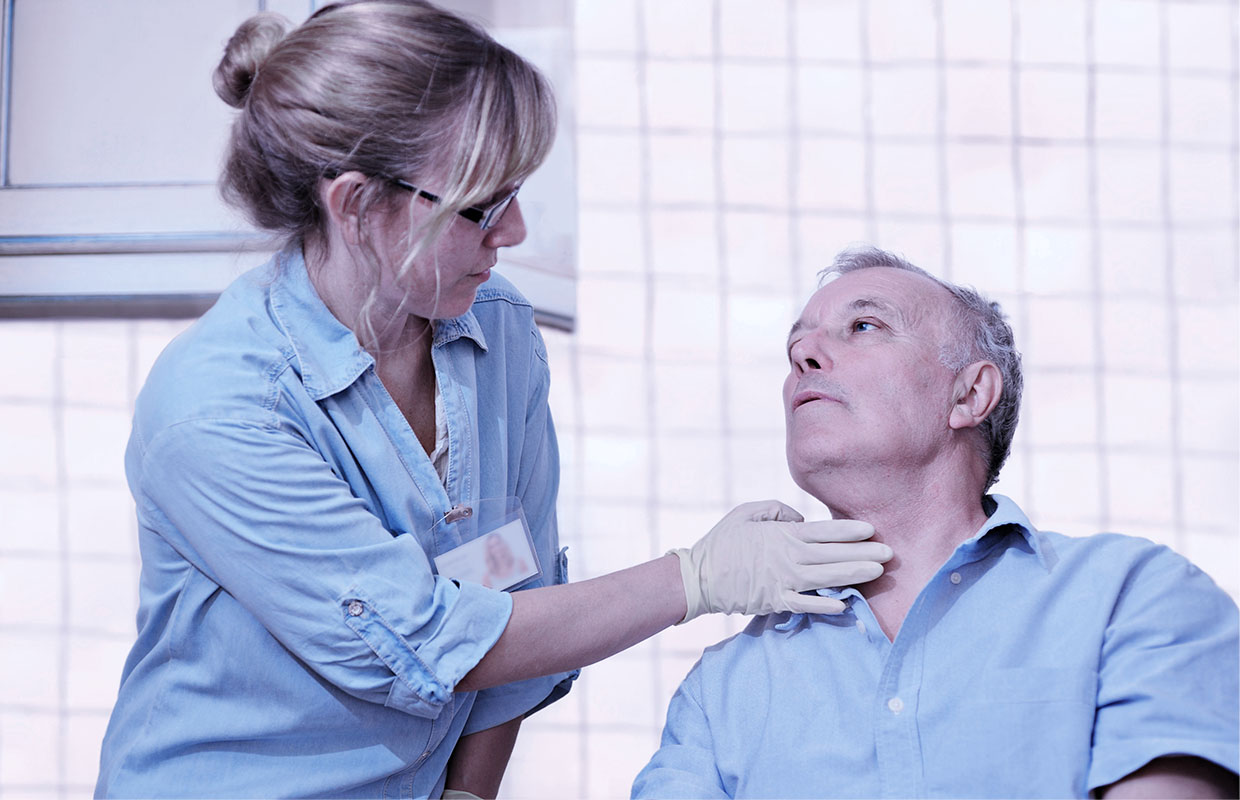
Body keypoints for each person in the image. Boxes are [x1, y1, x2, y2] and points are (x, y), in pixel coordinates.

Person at [93, 3, 894, 798]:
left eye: (516, 194)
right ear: (355, 207)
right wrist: (696, 579)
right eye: (477, 206)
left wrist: (470, 795)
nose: (511, 233)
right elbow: (426, 640)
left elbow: (512, 582)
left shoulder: (495, 329)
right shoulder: (219, 410)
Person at [633, 246, 1239, 799]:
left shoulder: (1131, 596)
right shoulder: (721, 691)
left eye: (864, 326)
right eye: (797, 347)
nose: (803, 356)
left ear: (969, 395)